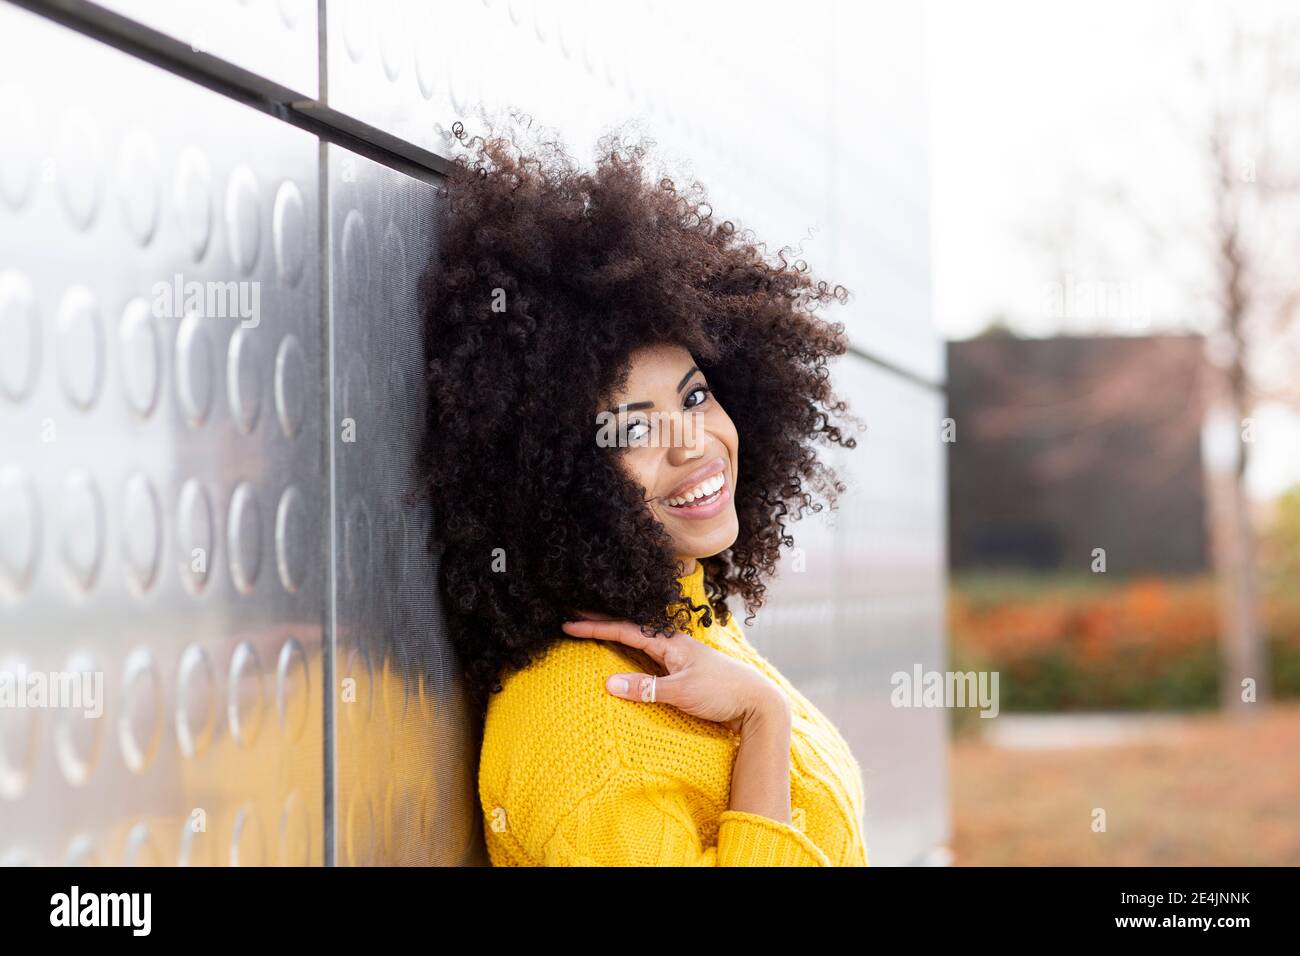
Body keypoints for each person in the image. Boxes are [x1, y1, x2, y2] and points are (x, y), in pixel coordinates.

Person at [420, 118, 869, 866]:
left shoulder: (689, 626)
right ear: (557, 479)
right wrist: (764, 720)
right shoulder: (584, 736)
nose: (693, 443)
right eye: (631, 430)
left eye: (695, 398)